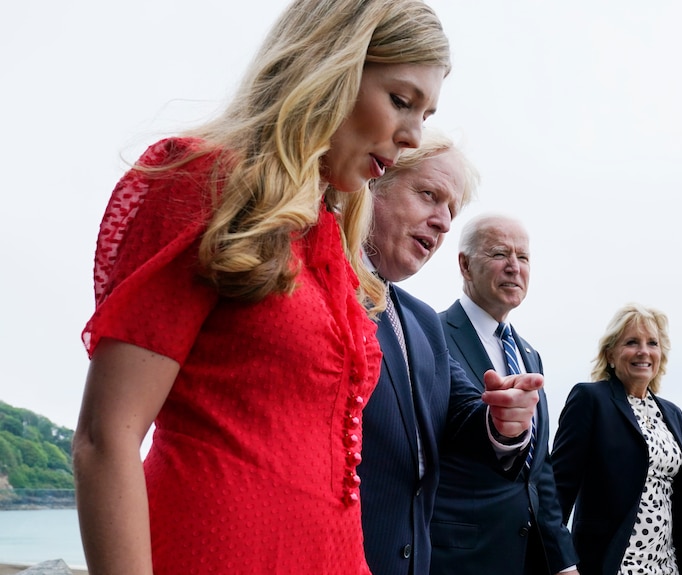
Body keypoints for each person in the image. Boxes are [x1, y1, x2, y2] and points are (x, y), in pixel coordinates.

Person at [72, 1, 450, 573]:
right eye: (401, 100)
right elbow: (106, 438)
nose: (413, 135)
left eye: (425, 112)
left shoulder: (330, 238)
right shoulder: (203, 182)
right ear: (328, 70)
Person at [358, 130, 544, 575]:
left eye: (451, 209)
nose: (443, 221)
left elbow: (465, 416)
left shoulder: (420, 323)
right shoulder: (323, 286)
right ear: (373, 180)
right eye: (428, 195)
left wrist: (504, 423)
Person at [431, 214, 577, 575]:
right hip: (456, 557)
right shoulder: (430, 333)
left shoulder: (529, 355)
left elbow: (538, 471)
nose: (514, 267)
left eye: (523, 257)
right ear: (465, 264)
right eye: (500, 254)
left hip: (527, 558)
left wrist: (564, 561)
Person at [551, 304, 682, 575]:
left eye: (652, 343)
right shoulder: (590, 400)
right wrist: (562, 564)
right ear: (610, 354)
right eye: (632, 342)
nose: (643, 351)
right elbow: (556, 494)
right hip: (614, 566)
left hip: (669, 566)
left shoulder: (672, 414)